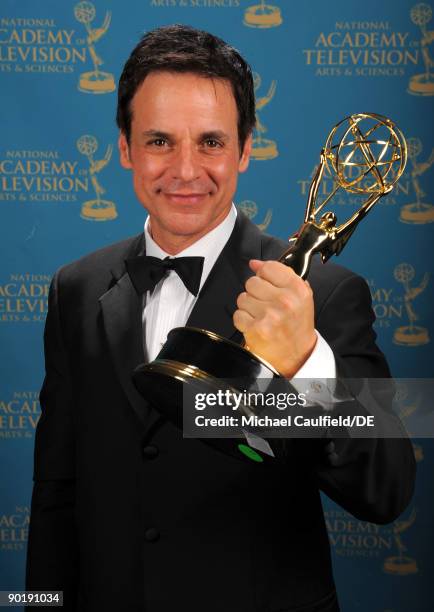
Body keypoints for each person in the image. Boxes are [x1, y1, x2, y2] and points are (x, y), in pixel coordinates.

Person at [26, 24, 415, 612]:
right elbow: (57, 495)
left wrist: (307, 364)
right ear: (125, 147)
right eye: (159, 141)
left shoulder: (326, 295)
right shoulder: (75, 290)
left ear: (245, 147)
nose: (185, 171)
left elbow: (386, 492)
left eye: (210, 142)